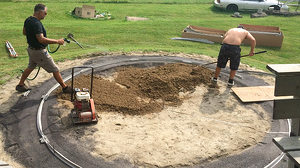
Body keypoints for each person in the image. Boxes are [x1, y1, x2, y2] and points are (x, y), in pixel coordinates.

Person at [16, 4, 72, 93]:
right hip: (39, 52)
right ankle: (65, 88)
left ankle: (20, 85)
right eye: (45, 13)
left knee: (30, 66)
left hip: (31, 49)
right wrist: (58, 41)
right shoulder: (37, 23)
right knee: (55, 69)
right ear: (40, 12)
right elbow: (41, 39)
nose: (46, 15)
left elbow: (24, 32)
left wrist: (33, 37)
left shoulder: (28, 20)